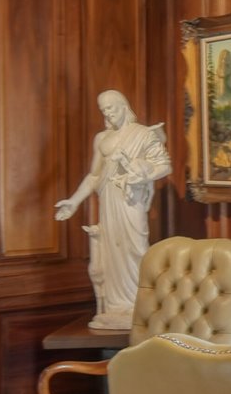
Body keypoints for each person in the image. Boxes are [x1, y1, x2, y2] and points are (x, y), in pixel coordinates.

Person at [55, 90, 171, 331]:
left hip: (131, 199)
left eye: (111, 107)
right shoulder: (102, 139)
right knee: (112, 250)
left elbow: (164, 166)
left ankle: (140, 303)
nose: (108, 113)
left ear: (123, 106)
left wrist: (141, 174)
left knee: (136, 248)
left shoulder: (143, 134)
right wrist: (74, 202)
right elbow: (94, 176)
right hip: (109, 199)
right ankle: (117, 306)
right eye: (103, 110)